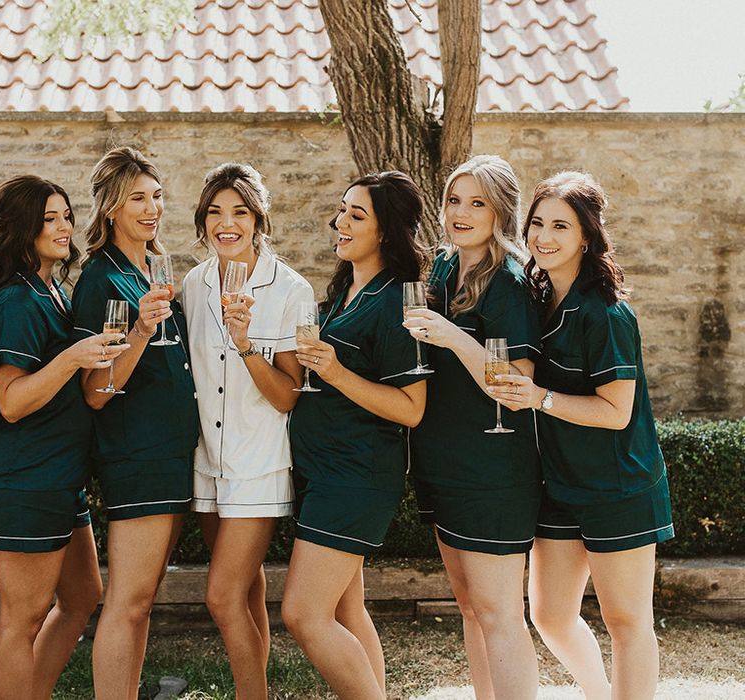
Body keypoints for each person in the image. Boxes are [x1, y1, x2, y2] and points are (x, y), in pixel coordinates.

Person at [489, 171, 674, 700]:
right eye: (537, 224)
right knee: (548, 615)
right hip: (559, 485)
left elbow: (618, 412)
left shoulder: (607, 313)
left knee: (627, 621)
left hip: (619, 486)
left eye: (560, 227)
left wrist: (538, 399)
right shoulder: (535, 300)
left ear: (587, 237)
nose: (543, 237)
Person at [0, 176, 125, 699]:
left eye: (65, 215)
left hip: (60, 478)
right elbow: (12, 401)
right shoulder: (17, 300)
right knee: (22, 618)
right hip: (25, 480)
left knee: (83, 594)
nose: (63, 227)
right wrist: (72, 359)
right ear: (22, 228)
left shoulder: (54, 289)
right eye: (49, 219)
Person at [281, 171, 428, 699]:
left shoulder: (397, 304)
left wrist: (337, 371)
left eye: (356, 215)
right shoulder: (347, 289)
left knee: (303, 613)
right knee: (346, 608)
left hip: (356, 477)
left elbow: (412, 408)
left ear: (386, 231)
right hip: (323, 472)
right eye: (342, 210)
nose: (339, 223)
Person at [403, 155, 541, 699]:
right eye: (454, 200)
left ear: (501, 212)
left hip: (493, 473)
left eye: (476, 202)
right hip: (443, 462)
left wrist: (451, 336)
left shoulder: (509, 280)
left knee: (500, 613)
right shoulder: (442, 265)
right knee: (469, 608)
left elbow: (516, 382)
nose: (461, 212)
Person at [71, 147, 199, 700]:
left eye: (156, 196)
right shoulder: (99, 280)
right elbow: (96, 391)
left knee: (143, 599)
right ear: (110, 209)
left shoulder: (154, 265)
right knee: (128, 599)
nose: (151, 209)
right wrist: (144, 331)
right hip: (137, 456)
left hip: (173, 453)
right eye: (137, 199)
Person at [183, 163, 313, 697]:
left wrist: (246, 345)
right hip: (207, 462)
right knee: (246, 591)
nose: (226, 223)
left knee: (220, 596)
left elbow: (288, 395)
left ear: (259, 219)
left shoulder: (291, 290)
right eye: (214, 212)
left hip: (258, 464)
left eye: (239, 211)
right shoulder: (193, 283)